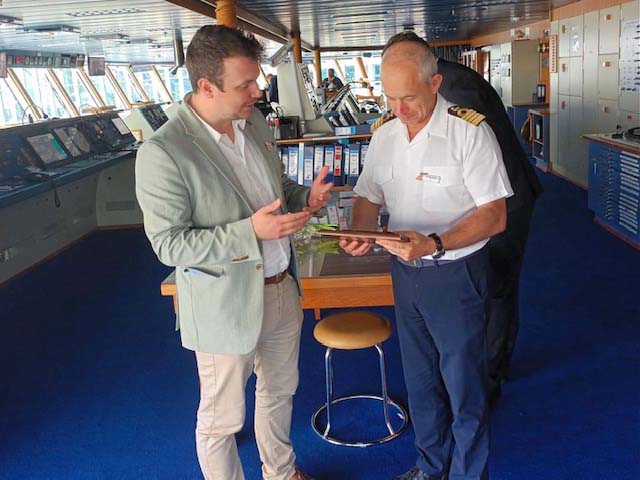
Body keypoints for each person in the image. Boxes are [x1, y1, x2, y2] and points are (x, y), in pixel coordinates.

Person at [135, 25, 332, 480]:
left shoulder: (255, 122)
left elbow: (275, 188)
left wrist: (307, 198)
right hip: (224, 304)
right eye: (245, 84)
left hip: (282, 287)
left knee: (280, 393)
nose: (258, 91)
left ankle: (280, 473)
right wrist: (250, 233)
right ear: (206, 86)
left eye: (257, 79)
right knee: (222, 420)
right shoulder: (164, 152)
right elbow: (169, 244)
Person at [340, 34, 513, 480]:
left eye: (409, 97)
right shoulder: (385, 135)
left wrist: (434, 243)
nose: (399, 109)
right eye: (390, 97)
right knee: (419, 380)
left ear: (435, 83)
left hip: (455, 274)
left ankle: (468, 474)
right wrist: (360, 232)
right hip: (405, 273)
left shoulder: (469, 131)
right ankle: (430, 466)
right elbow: (368, 195)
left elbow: (495, 216)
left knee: (464, 386)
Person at [393, 31, 544, 403]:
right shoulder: (449, 79)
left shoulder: (455, 90)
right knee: (495, 289)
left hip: (500, 201)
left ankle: (489, 379)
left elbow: (456, 156)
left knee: (493, 289)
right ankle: (493, 367)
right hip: (493, 195)